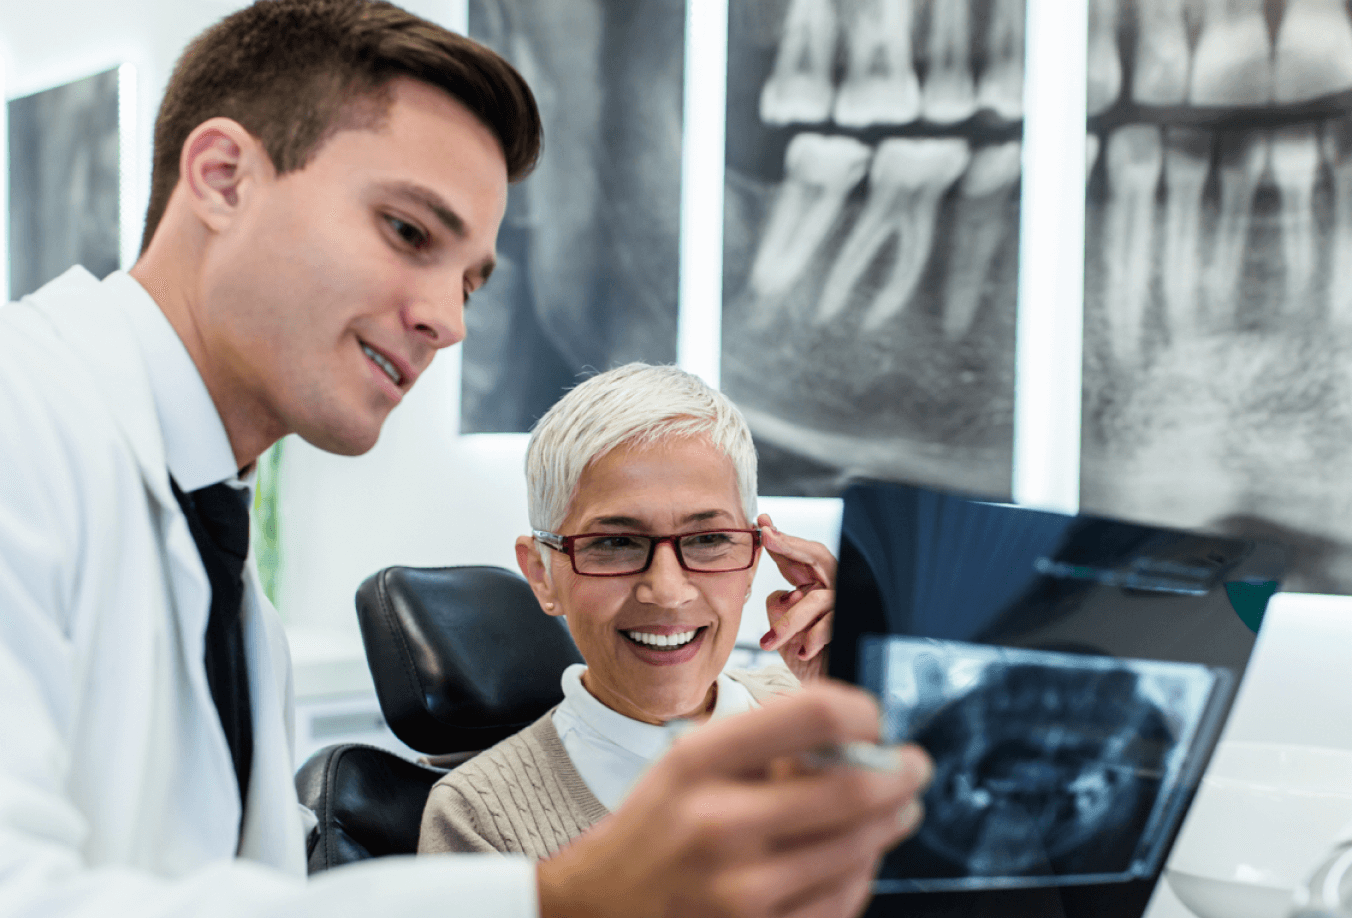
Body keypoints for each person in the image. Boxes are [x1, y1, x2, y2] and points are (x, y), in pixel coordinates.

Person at [0, 2, 932, 917]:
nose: (448, 321)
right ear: (222, 177)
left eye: (470, 280)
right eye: (408, 232)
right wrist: (562, 899)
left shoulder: (239, 607)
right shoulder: (25, 421)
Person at [420, 363, 837, 857]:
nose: (666, 591)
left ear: (750, 564)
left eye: (708, 540)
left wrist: (880, 705)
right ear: (541, 574)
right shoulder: (479, 817)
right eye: (616, 543)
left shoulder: (819, 712)